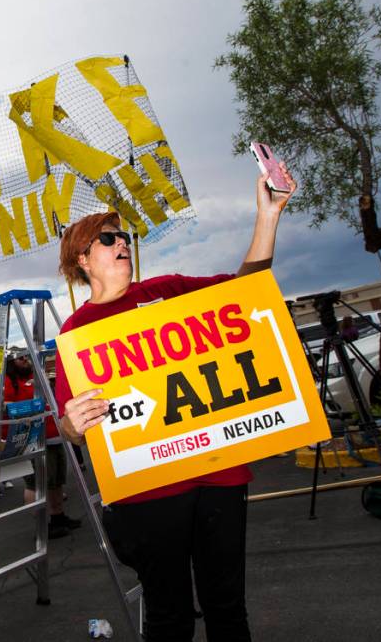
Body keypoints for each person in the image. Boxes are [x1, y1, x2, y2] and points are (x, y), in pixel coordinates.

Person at [56, 166, 296, 642]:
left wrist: (267, 216)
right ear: (83, 258)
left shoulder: (167, 291)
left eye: (124, 235)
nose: (122, 241)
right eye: (109, 238)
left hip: (220, 474)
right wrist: (71, 424)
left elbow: (243, 292)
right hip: (149, 492)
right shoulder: (77, 332)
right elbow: (69, 424)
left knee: (228, 608)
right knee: (169, 617)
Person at [4, 356, 80, 539]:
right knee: (35, 483)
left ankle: (58, 517)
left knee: (56, 480)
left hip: (53, 435)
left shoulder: (35, 376)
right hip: (30, 438)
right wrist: (31, 407)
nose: (25, 360)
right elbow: (4, 405)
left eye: (25, 357)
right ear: (11, 363)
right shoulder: (8, 381)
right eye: (20, 358)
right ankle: (42, 525)